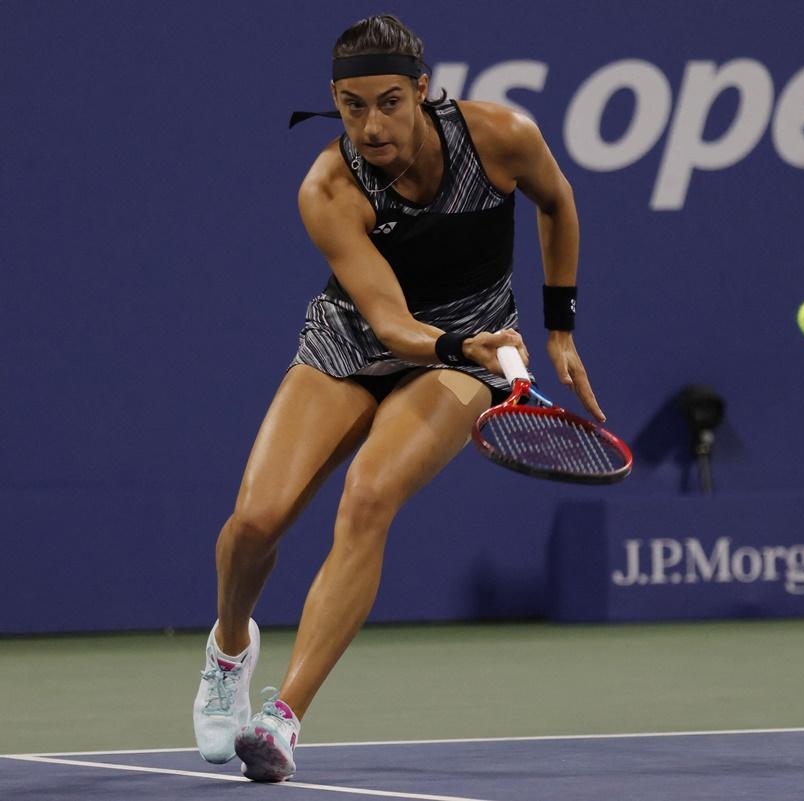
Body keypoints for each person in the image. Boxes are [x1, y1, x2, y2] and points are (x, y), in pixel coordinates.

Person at [191, 14, 604, 783]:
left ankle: (281, 722)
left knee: (370, 495)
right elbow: (388, 321)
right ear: (334, 103)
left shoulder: (501, 136)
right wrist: (459, 344)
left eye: (388, 102)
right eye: (352, 107)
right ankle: (228, 647)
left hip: (467, 351)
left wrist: (560, 330)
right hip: (357, 342)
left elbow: (558, 202)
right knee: (255, 521)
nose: (371, 125)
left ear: (422, 91)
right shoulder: (328, 187)